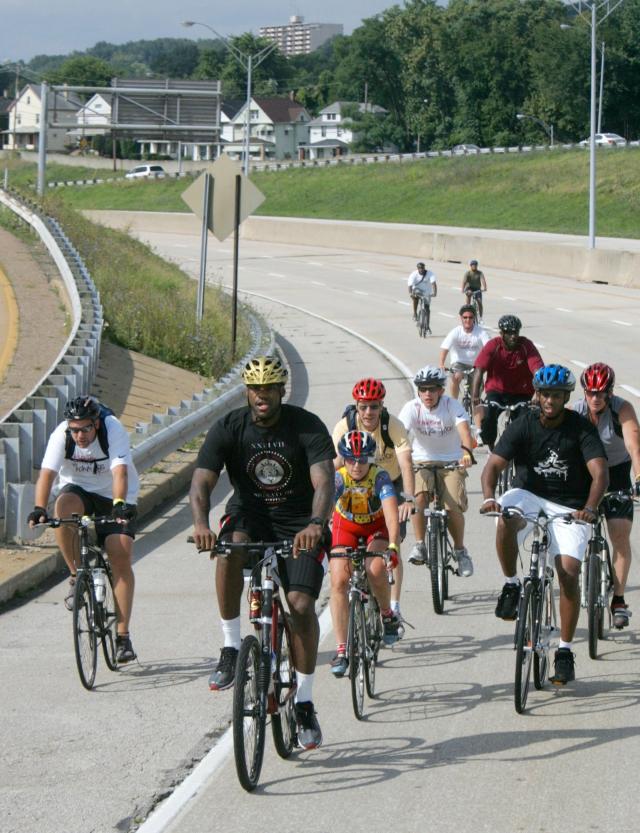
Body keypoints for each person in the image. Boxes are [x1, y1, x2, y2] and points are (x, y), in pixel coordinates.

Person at [189, 355, 335, 750]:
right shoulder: (230, 427)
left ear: (281, 390)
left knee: (301, 604)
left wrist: (316, 525)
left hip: (299, 524)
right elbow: (202, 480)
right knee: (229, 548)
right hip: (249, 516)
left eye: (269, 387)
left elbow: (324, 483)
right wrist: (201, 524)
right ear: (246, 392)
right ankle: (231, 647)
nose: (261, 395)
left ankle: (303, 703)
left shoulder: (306, 426)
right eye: (255, 388)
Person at [480, 365, 608, 686]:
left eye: (556, 395)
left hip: (571, 505)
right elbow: (493, 465)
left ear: (566, 397)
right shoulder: (524, 424)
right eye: (545, 394)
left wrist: (590, 508)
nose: (549, 400)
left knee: (567, 571)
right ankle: (511, 585)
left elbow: (600, 473)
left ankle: (564, 652)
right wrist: (488, 497)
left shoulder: (580, 429)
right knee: (506, 518)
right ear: (537, 394)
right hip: (529, 495)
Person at [27, 396, 139, 663]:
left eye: (85, 429)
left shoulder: (113, 429)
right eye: (74, 429)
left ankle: (123, 637)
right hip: (77, 490)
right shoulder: (61, 435)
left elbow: (120, 472)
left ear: (96, 424)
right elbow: (47, 474)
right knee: (63, 509)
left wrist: (120, 505)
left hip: (114, 494)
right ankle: (76, 573)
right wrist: (39, 508)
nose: (79, 435)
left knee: (119, 550)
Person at [332, 377, 415, 622]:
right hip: (355, 485)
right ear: (356, 406)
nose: (369, 412)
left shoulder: (393, 426)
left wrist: (408, 499)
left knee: (393, 542)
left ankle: (394, 605)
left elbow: (407, 463)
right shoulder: (345, 425)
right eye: (363, 406)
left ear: (382, 406)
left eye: (374, 406)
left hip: (390, 482)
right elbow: (334, 465)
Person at [328, 430, 401, 677]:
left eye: (362, 460)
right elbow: (326, 508)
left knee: (375, 568)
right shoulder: (339, 479)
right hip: (345, 526)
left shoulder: (380, 477)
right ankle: (341, 650)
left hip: (375, 528)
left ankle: (387, 614)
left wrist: (392, 546)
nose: (356, 465)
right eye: (350, 459)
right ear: (344, 459)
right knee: (338, 579)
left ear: (370, 458)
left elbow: (391, 514)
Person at [573, 362, 640, 629]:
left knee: (620, 535)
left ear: (610, 392)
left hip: (617, 473)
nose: (595, 398)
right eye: (590, 392)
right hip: (586, 475)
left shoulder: (622, 409)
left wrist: (638, 476)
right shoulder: (575, 412)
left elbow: (634, 445)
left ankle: (619, 600)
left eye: (600, 393)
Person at [398, 366, 475, 575]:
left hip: (451, 461)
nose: (427, 394)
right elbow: (400, 435)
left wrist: (466, 452)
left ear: (441, 390)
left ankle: (460, 551)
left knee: (452, 507)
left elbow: (465, 432)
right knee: (419, 497)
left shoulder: (453, 405)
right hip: (421, 461)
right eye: (422, 389)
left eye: (432, 389)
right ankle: (420, 544)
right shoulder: (412, 407)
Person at [472, 314, 544, 449]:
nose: (513, 336)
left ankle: (519, 453)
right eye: (509, 333)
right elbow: (479, 370)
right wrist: (475, 395)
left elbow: (538, 371)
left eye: (515, 332)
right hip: (497, 392)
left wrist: (538, 394)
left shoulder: (526, 345)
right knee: (488, 418)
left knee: (526, 423)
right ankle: (491, 449)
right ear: (501, 333)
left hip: (521, 393)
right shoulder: (493, 345)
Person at [439, 304, 490, 403]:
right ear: (460, 318)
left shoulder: (481, 332)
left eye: (470, 317)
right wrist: (441, 363)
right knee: (456, 376)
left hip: (476, 366)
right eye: (465, 317)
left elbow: (489, 348)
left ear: (474, 318)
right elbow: (445, 348)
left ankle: (474, 408)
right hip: (459, 363)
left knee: (476, 396)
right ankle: (453, 403)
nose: (468, 320)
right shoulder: (455, 332)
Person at [407, 261, 437, 328]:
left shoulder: (430, 273)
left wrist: (434, 293)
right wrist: (410, 293)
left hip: (427, 292)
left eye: (422, 268)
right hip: (417, 289)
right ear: (417, 269)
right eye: (420, 268)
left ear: (424, 268)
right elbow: (410, 285)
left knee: (427, 309)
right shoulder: (413, 274)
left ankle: (427, 326)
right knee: (415, 297)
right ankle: (415, 313)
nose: (421, 269)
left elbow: (434, 284)